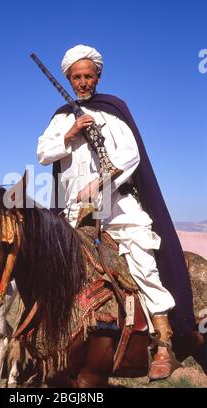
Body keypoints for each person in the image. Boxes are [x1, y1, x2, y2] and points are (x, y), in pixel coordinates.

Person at [37, 44, 195, 380]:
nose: (82, 82)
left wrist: (99, 184)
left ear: (98, 77)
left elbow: (131, 156)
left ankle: (163, 341)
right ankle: (52, 339)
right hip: (75, 209)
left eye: (88, 76)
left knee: (142, 256)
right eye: (76, 77)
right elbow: (43, 153)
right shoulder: (61, 117)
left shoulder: (113, 109)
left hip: (118, 205)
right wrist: (71, 133)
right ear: (68, 77)